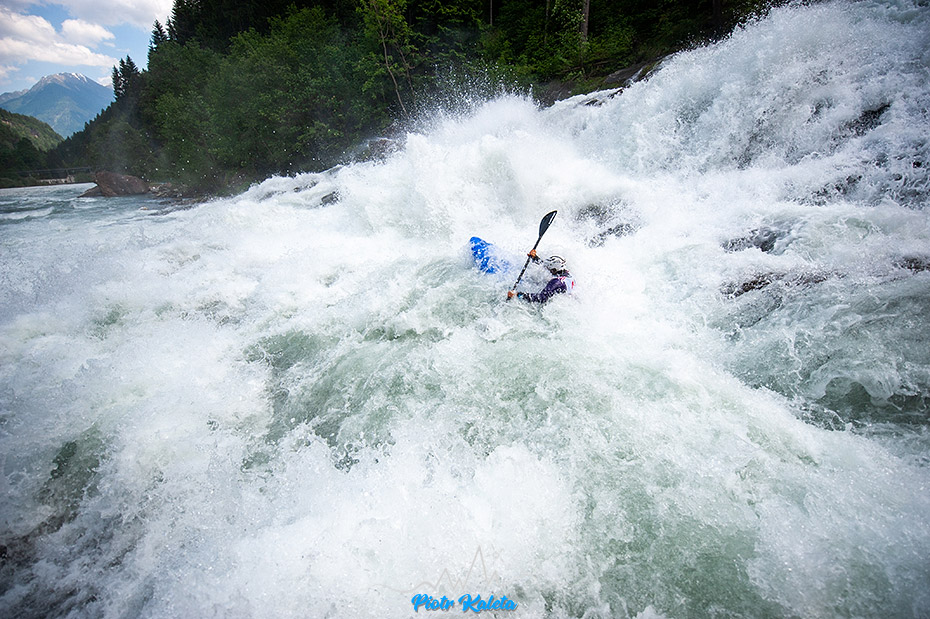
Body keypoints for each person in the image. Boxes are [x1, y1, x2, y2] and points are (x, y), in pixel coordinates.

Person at [507, 250, 575, 303]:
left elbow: (541, 298)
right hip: (569, 299)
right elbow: (545, 265)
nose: (548, 269)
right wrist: (535, 257)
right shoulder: (567, 274)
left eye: (550, 269)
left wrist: (517, 295)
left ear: (554, 269)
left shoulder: (556, 282)